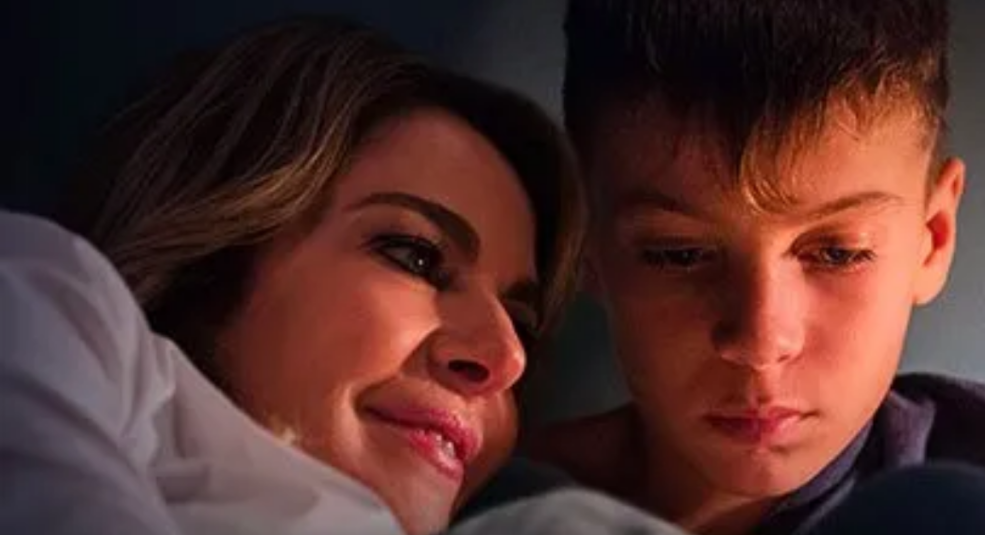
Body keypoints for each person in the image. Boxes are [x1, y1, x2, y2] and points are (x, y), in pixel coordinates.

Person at [0, 16, 585, 535]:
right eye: (416, 257)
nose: (507, 358)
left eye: (520, 323)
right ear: (219, 254)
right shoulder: (43, 309)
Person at [524, 1, 985, 534]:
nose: (761, 344)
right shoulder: (484, 504)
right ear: (583, 239)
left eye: (839, 252)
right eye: (679, 253)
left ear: (933, 238)